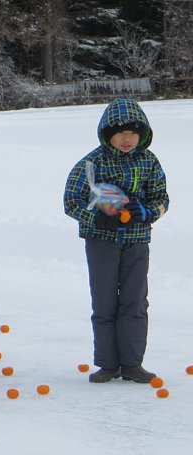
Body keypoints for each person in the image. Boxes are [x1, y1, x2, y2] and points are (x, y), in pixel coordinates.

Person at [63, 98, 169, 384]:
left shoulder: (148, 161)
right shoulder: (93, 162)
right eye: (120, 132)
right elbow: (71, 201)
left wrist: (146, 212)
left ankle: (132, 363)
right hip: (102, 242)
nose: (127, 138)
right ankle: (108, 364)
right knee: (104, 300)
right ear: (107, 132)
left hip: (137, 241)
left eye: (133, 132)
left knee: (135, 301)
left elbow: (162, 198)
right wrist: (96, 219)